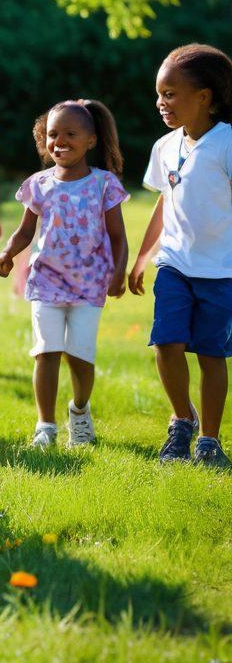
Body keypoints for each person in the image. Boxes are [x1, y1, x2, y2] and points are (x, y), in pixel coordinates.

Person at [0, 100, 128, 448]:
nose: (60, 141)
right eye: (53, 135)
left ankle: (80, 411)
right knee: (46, 351)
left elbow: (118, 236)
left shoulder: (104, 184)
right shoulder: (38, 184)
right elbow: (25, 231)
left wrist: (118, 272)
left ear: (91, 140)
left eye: (71, 134)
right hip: (46, 281)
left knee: (81, 357)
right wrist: (9, 252)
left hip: (90, 283)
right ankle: (46, 426)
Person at [129, 44, 232, 467]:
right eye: (159, 94)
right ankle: (181, 422)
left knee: (211, 355)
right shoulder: (164, 146)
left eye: (170, 94)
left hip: (221, 270)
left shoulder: (226, 144)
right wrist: (140, 259)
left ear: (204, 97)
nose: (161, 102)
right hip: (174, 263)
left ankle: (209, 441)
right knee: (166, 342)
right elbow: (164, 202)